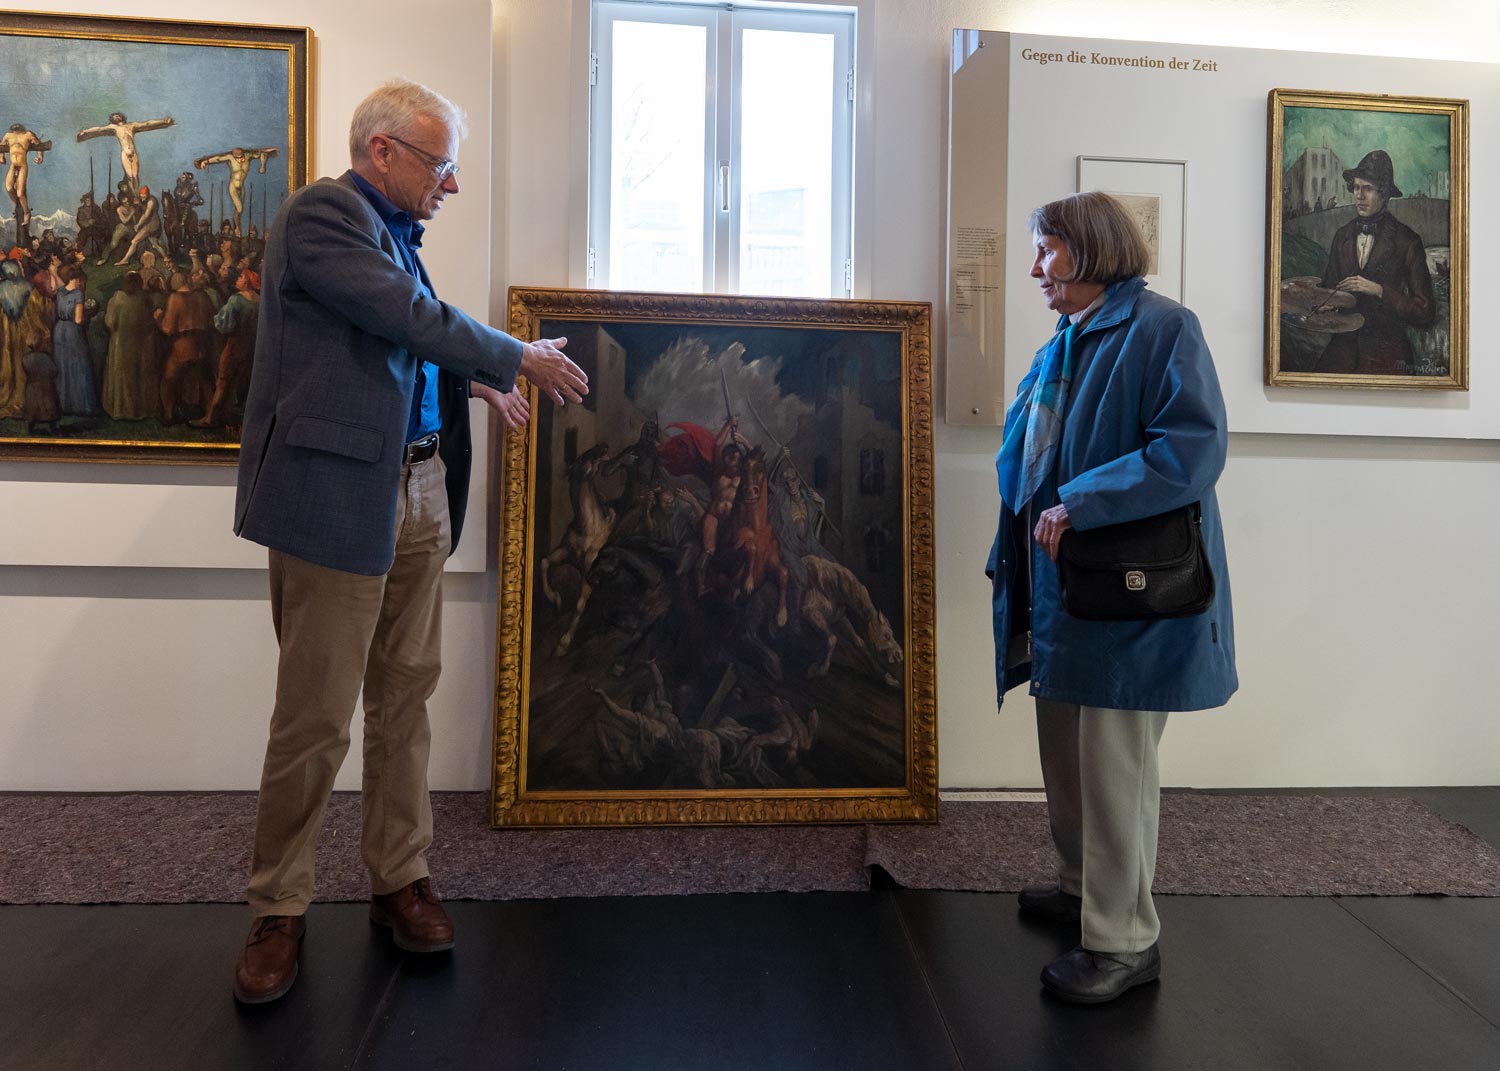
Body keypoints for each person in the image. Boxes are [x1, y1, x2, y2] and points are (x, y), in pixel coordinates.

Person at [229, 78, 587, 1005]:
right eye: (442, 163)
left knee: (405, 697)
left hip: (419, 486)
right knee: (315, 716)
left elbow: (383, 340)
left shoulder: (394, 234)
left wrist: (466, 387)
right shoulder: (322, 214)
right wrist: (514, 356)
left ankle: (399, 877)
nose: (453, 184)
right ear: (381, 151)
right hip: (341, 496)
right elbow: (396, 314)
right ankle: (280, 908)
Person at [987, 192, 1236, 1004]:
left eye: (1047, 251)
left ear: (1091, 251)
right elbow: (1025, 451)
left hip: (1133, 591)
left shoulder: (1164, 329)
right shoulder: (1067, 339)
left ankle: (1125, 940)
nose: (1035, 269)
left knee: (1115, 762)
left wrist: (1080, 500)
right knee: (1065, 746)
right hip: (1068, 588)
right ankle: (1079, 885)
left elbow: (1191, 450)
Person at [1316, 149, 1435, 376]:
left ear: (1384, 194)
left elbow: (1425, 312)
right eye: (1357, 188)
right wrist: (1329, 303)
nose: (1360, 195)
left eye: (1368, 188)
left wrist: (1378, 290)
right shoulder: (1342, 236)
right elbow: (1330, 290)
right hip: (1344, 349)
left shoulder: (1407, 241)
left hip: (1387, 352)